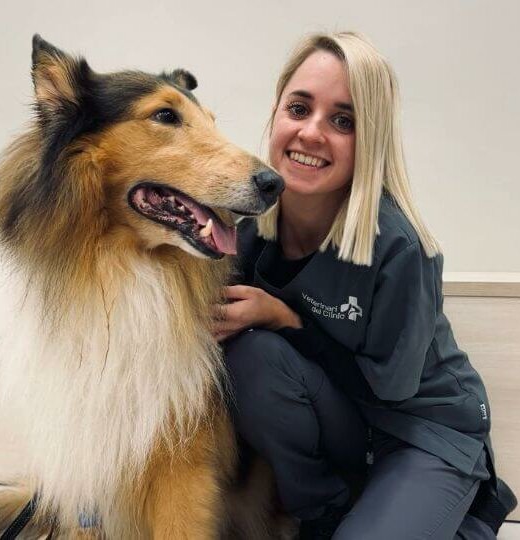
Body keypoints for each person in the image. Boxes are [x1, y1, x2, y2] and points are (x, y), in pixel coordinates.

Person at [213, 32, 517, 539]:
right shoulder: (248, 228)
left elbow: (390, 390)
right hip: (346, 426)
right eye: (299, 107)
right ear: (276, 114)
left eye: (342, 121)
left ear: (370, 137)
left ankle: (469, 510)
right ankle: (327, 510)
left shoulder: (401, 247)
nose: (311, 133)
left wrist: (286, 319)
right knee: (253, 357)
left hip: (422, 432)